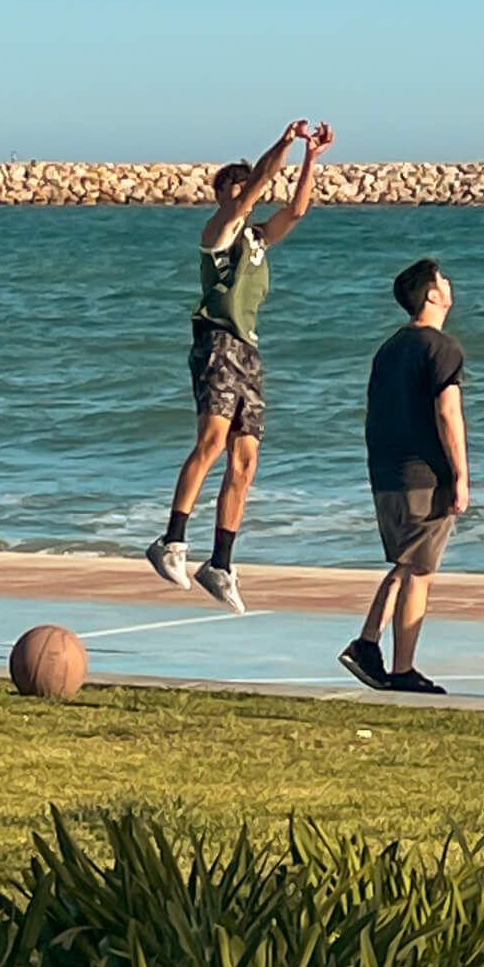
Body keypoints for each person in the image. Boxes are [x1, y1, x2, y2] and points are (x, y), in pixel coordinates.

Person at [147, 118, 333, 612]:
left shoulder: (256, 238)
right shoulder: (218, 232)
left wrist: (311, 158)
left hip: (248, 350)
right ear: (221, 195)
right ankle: (171, 539)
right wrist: (286, 141)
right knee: (211, 441)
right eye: (234, 187)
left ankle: (221, 564)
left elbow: (295, 210)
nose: (242, 193)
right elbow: (257, 189)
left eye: (242, 185)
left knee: (245, 461)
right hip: (216, 340)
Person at [341, 258, 468, 695]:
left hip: (387, 472)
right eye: (442, 279)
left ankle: (367, 644)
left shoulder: (389, 347)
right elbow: (448, 414)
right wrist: (461, 475)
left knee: (407, 561)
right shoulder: (442, 347)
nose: (449, 284)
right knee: (419, 571)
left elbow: (373, 412)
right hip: (424, 475)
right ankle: (401, 667)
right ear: (432, 294)